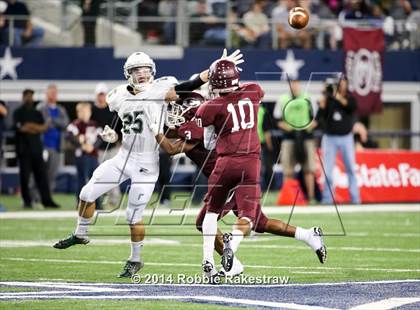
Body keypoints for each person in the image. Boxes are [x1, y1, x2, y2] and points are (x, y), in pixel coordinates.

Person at [53, 50, 230, 279]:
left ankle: (135, 259)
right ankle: (80, 233)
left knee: (132, 215)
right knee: (86, 193)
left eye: (146, 70)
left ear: (153, 71)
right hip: (123, 157)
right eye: (137, 70)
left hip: (147, 163)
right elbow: (121, 123)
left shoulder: (159, 90)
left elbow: (188, 85)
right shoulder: (117, 96)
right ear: (129, 74)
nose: (143, 74)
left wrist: (211, 70)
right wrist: (112, 136)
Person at [145, 85, 327, 279]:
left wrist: (156, 130)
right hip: (233, 174)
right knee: (259, 222)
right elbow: (176, 131)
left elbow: (172, 148)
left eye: (180, 111)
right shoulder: (197, 121)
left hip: (229, 180)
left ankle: (230, 261)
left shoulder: (198, 128)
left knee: (203, 222)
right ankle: (308, 235)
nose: (176, 115)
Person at [13, 89, 59, 209]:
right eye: (27, 96)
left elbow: (44, 128)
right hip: (23, 150)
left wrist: (29, 126)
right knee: (25, 177)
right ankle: (27, 201)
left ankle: (47, 200)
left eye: (31, 96)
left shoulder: (36, 113)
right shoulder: (18, 112)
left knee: (42, 176)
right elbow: (21, 128)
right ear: (23, 97)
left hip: (37, 149)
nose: (29, 98)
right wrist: (35, 128)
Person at [317, 77, 360, 204]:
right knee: (328, 171)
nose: (340, 85)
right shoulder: (328, 99)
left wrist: (337, 96)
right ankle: (327, 199)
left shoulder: (349, 98)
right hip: (330, 138)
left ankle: (355, 199)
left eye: (342, 83)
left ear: (346, 84)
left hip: (346, 137)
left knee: (351, 169)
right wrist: (325, 96)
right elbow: (320, 116)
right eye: (338, 84)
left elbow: (351, 107)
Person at [274, 80, 317, 203]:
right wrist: (286, 127)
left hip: (306, 137)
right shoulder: (283, 99)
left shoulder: (308, 98)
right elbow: (277, 119)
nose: (294, 87)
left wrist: (307, 127)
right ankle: (289, 196)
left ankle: (310, 197)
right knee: (288, 170)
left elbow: (316, 119)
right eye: (292, 84)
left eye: (296, 84)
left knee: (309, 169)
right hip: (289, 137)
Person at [91, 82, 122, 208]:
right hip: (96, 149)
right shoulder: (92, 111)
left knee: (113, 175)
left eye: (103, 94)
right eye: (99, 94)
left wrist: (118, 140)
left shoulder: (113, 110)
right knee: (97, 175)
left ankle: (113, 200)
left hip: (113, 148)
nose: (101, 97)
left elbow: (120, 129)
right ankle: (96, 200)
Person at [67, 102, 102, 209]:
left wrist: (93, 146)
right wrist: (81, 145)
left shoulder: (94, 124)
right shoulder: (75, 124)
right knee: (81, 180)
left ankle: (98, 204)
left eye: (87, 111)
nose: (85, 113)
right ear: (78, 113)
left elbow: (100, 138)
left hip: (93, 155)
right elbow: (69, 136)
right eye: (82, 111)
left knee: (96, 179)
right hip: (81, 155)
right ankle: (81, 203)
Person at [36, 84, 69, 193]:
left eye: (55, 93)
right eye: (51, 92)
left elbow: (65, 124)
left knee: (52, 175)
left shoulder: (61, 109)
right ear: (46, 93)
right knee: (39, 173)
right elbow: (43, 124)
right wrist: (54, 122)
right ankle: (34, 198)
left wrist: (52, 121)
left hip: (57, 147)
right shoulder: (41, 108)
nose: (53, 95)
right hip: (42, 146)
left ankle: (47, 199)